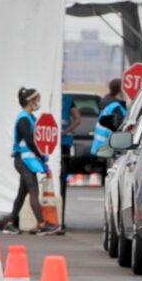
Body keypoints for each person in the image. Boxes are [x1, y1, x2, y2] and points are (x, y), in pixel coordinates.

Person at [3, 88, 60, 235]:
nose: (38, 102)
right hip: (24, 161)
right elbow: (29, 140)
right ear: (30, 101)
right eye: (36, 99)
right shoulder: (23, 118)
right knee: (33, 191)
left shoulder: (31, 118)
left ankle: (10, 223)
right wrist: (40, 155)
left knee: (22, 193)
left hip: (27, 161)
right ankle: (41, 224)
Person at [60, 93, 81, 230]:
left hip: (55, 144)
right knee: (62, 183)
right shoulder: (68, 100)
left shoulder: (47, 96)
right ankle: (60, 218)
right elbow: (78, 119)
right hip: (64, 143)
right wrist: (66, 131)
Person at [90, 79, 127, 156]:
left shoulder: (107, 104)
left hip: (102, 146)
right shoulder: (116, 107)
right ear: (121, 90)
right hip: (111, 147)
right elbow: (119, 127)